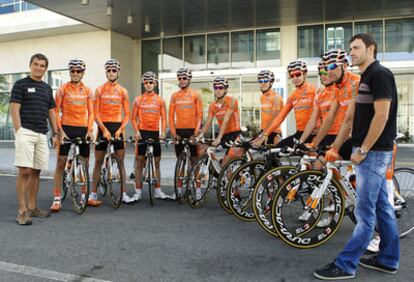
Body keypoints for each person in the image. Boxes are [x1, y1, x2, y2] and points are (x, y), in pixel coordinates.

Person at [314, 33, 399, 280]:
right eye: (350, 48)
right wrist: (337, 145)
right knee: (383, 207)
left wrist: (362, 150)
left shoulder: (380, 74)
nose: (351, 52)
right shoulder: (365, 77)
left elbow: (382, 116)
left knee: (364, 213)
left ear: (370, 49)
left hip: (372, 153)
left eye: (356, 48)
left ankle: (345, 264)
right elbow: (350, 117)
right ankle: (388, 259)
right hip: (367, 152)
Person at [10, 53, 59, 225]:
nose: (38, 67)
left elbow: (51, 112)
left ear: (45, 69)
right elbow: (14, 109)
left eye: (42, 65)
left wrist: (55, 132)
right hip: (26, 132)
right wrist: (19, 131)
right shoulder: (20, 84)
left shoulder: (46, 88)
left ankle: (32, 207)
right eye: (36, 64)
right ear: (30, 65)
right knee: (24, 171)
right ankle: (22, 211)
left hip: (41, 134)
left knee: (37, 171)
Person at [50, 59, 94, 212]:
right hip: (66, 127)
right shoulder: (62, 89)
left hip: (82, 128)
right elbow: (55, 111)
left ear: (83, 73)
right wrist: (60, 131)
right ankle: (56, 198)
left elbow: (91, 112)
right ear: (70, 72)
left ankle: (84, 195)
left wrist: (89, 130)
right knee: (61, 162)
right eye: (73, 71)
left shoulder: (88, 90)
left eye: (78, 71)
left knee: (85, 163)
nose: (75, 73)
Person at [300, 49, 359, 160]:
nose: (329, 71)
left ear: (345, 66)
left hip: (364, 137)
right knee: (322, 161)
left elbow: (349, 118)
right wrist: (314, 143)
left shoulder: (355, 83)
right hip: (351, 135)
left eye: (332, 66)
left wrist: (335, 148)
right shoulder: (337, 88)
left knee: (324, 160)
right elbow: (329, 118)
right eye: (326, 68)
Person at [92, 59, 133, 205]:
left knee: (121, 162)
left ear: (118, 72)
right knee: (98, 162)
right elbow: (95, 113)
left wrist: (121, 129)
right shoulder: (99, 90)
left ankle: (123, 193)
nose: (111, 73)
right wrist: (103, 129)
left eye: (113, 70)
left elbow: (127, 114)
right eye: (108, 70)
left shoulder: (123, 91)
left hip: (117, 128)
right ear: (106, 72)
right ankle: (93, 194)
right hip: (102, 128)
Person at [253, 61, 316, 147]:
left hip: (313, 133)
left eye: (298, 74)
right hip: (299, 133)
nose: (295, 78)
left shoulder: (314, 90)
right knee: (277, 150)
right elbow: (281, 116)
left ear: (305, 74)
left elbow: (326, 113)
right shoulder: (293, 95)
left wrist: (321, 128)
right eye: (292, 76)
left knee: (309, 158)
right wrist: (266, 134)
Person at [131, 71, 168, 201]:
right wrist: (136, 131)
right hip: (142, 133)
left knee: (157, 163)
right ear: (143, 84)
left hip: (155, 133)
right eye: (146, 82)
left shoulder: (160, 100)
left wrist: (163, 132)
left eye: (151, 82)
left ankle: (158, 190)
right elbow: (133, 118)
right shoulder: (138, 99)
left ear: (155, 83)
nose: (148, 85)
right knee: (140, 163)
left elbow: (164, 118)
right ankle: (138, 192)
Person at [169, 67, 203, 197]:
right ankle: (178, 190)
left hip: (192, 131)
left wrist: (196, 132)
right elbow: (171, 117)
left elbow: (200, 115)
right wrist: (173, 132)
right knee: (180, 162)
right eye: (180, 78)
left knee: (195, 161)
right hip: (179, 131)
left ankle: (198, 190)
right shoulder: (174, 96)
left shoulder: (196, 95)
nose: (182, 81)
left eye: (184, 78)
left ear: (189, 79)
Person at [198, 76, 244, 165]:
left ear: (226, 90)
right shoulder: (212, 105)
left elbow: (226, 120)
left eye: (221, 88)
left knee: (226, 162)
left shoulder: (232, 101)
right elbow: (208, 123)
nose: (218, 90)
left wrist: (218, 138)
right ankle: (216, 172)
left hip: (236, 135)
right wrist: (200, 136)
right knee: (202, 151)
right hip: (224, 135)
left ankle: (228, 174)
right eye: (215, 87)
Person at [257, 70, 284, 144]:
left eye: (265, 81)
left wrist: (264, 134)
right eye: (260, 81)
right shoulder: (262, 97)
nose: (263, 83)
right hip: (263, 131)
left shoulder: (276, 97)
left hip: (274, 132)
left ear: (271, 82)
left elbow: (274, 118)